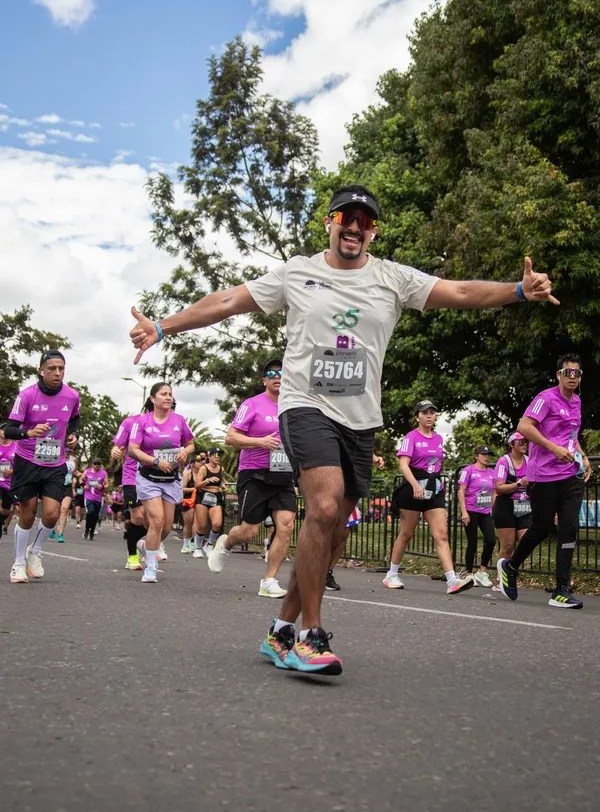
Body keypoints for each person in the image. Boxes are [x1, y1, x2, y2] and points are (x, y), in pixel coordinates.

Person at [130, 182, 557, 674]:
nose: (355, 226)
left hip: (361, 419)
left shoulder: (392, 278)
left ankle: (281, 630)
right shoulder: (298, 273)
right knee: (325, 504)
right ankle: (310, 636)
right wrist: (164, 326)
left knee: (332, 534)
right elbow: (228, 301)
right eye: (345, 217)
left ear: (372, 231)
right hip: (305, 406)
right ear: (330, 223)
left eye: (366, 220)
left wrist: (519, 291)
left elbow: (459, 291)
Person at [498, 355, 590, 609]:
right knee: (540, 528)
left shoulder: (577, 401)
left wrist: (580, 453)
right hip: (544, 476)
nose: (573, 377)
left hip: (571, 475)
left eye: (577, 373)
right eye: (567, 372)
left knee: (569, 528)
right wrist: (553, 448)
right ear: (558, 375)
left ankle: (561, 589)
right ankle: (511, 566)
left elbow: (571, 434)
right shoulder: (545, 398)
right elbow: (524, 426)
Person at [208, 358, 296, 598]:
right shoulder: (252, 404)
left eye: (282, 372)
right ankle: (225, 543)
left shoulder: (294, 406)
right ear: (264, 380)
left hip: (283, 476)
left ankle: (269, 580)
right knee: (248, 531)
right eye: (272, 373)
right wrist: (260, 442)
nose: (277, 376)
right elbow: (231, 437)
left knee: (286, 526)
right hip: (254, 474)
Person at [4, 350, 79, 583]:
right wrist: (28, 432)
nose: (57, 373)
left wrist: (73, 434)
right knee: (26, 514)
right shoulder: (27, 395)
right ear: (41, 370)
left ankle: (35, 551)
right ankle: (18, 563)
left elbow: (75, 418)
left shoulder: (72, 396)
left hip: (55, 462)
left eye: (61, 368)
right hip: (27, 461)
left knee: (51, 514)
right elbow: (9, 429)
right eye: (52, 369)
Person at [384, 402, 473, 594]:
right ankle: (391, 574)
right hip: (414, 488)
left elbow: (436, 465)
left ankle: (451, 580)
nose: (429, 416)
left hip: (434, 489)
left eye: (432, 413)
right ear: (418, 417)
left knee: (441, 534)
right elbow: (404, 465)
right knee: (407, 534)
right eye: (425, 413)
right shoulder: (411, 437)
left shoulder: (439, 438)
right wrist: (415, 485)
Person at [128, 383, 195, 583]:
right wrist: (155, 461)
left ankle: (144, 545)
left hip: (170, 479)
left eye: (170, 394)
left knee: (165, 527)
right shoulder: (141, 421)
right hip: (148, 477)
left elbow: (191, 444)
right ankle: (151, 567)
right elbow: (133, 449)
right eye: (163, 394)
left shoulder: (179, 420)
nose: (168, 397)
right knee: (156, 521)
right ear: (152, 399)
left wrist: (185, 451)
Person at [325, 453, 385, 591]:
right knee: (323, 530)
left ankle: (327, 572)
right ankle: (311, 569)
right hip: (328, 480)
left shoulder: (354, 434)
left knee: (343, 532)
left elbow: (357, 443)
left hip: (349, 485)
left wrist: (373, 457)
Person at [492, 433, 531, 590]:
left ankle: (511, 571)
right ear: (511, 444)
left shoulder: (530, 461)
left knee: (526, 541)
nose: (524, 444)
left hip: (524, 505)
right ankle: (500, 579)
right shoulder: (504, 462)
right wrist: (520, 484)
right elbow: (499, 487)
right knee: (507, 546)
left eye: (525, 441)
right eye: (519, 442)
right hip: (505, 505)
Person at [111, 415, 147, 571]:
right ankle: (132, 556)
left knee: (156, 522)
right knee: (138, 516)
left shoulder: (169, 424)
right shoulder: (131, 422)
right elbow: (117, 445)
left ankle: (139, 541)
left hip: (155, 478)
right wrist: (115, 451)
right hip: (132, 477)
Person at [458, 446, 496, 587]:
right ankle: (468, 574)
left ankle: (481, 571)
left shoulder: (491, 472)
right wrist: (464, 512)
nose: (487, 457)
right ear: (476, 456)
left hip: (485, 511)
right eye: (484, 454)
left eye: (488, 454)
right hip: (471, 510)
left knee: (491, 540)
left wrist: (492, 506)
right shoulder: (468, 470)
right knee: (472, 543)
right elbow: (461, 491)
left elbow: (494, 492)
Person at [192, 448, 225, 559]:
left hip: (216, 497)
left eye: (219, 455)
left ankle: (209, 545)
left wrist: (223, 486)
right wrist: (207, 480)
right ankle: (197, 548)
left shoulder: (221, 469)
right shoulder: (203, 468)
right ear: (209, 457)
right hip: (203, 496)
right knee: (202, 525)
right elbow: (197, 485)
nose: (217, 457)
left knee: (217, 524)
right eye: (215, 455)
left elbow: (222, 481)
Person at [54, 448, 79, 543]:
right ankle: (52, 528)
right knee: (55, 510)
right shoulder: (56, 458)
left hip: (67, 486)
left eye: (69, 452)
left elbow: (74, 471)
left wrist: (79, 474)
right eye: (66, 451)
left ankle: (60, 534)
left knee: (64, 509)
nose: (67, 453)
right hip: (56, 485)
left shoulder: (73, 460)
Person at [181, 454, 203, 554]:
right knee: (188, 524)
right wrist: (195, 488)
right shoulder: (188, 474)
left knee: (196, 523)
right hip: (188, 500)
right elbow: (182, 489)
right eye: (198, 461)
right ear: (193, 463)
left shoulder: (203, 474)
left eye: (202, 460)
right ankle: (185, 545)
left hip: (199, 500)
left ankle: (194, 543)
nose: (201, 462)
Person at [82, 458, 108, 540]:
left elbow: (107, 484)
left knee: (95, 516)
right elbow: (81, 479)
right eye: (95, 464)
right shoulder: (87, 471)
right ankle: (87, 529)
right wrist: (84, 486)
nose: (97, 465)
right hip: (88, 496)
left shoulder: (103, 473)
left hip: (98, 498)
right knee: (90, 512)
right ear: (92, 464)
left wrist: (102, 486)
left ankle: (92, 531)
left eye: (98, 464)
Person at [0, 423, 17, 540]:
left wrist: (12, 471)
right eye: (2, 429)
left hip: (9, 483)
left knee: (6, 511)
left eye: (6, 430)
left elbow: (21, 465)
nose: (4, 432)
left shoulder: (16, 446)